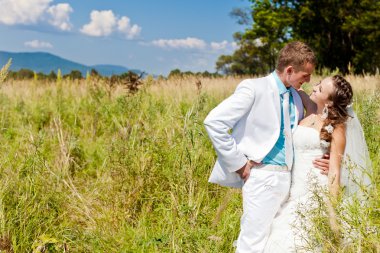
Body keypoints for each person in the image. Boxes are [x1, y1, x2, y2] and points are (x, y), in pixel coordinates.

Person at [204, 41, 328, 253]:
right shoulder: (254, 88)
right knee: (253, 242)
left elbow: (318, 122)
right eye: (305, 75)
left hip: (293, 180)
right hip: (262, 176)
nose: (308, 80)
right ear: (289, 70)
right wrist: (239, 163)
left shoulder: (298, 96)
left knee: (276, 243)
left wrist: (325, 156)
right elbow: (214, 122)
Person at [264, 75, 371, 252]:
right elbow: (296, 87)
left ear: (329, 103)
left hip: (315, 191)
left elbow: (335, 173)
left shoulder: (337, 128)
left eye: (320, 89)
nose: (315, 87)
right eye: (318, 83)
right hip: (293, 189)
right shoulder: (311, 108)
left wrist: (332, 212)